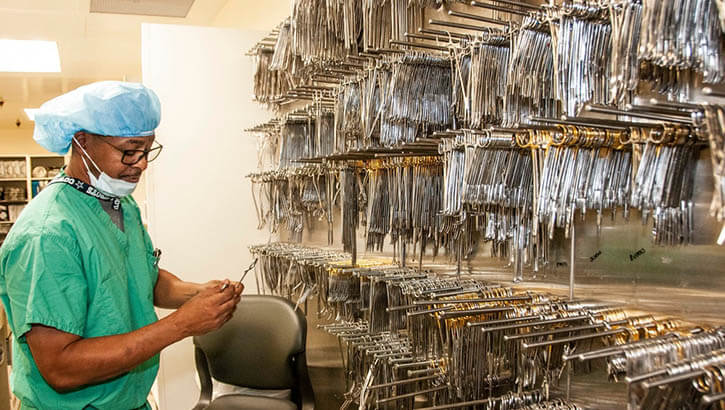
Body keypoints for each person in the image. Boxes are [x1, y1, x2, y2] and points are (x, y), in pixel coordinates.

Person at [0, 81, 243, 409]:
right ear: (81, 141)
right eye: (129, 151)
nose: (141, 164)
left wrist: (199, 293)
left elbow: (143, 277)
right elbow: (61, 368)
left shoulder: (119, 205)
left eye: (147, 151)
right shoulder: (48, 234)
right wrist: (183, 323)